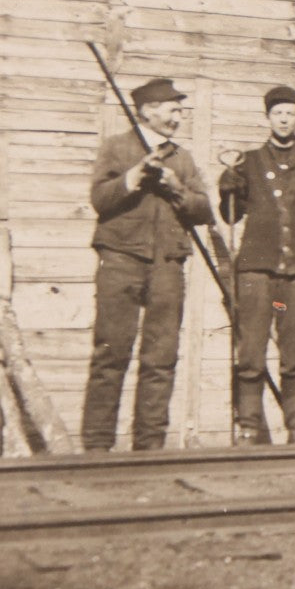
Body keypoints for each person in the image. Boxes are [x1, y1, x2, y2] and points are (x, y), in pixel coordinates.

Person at [80, 78, 214, 452]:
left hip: (167, 265)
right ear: (148, 111)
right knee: (111, 353)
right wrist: (133, 177)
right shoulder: (117, 148)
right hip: (120, 261)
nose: (178, 117)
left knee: (161, 358)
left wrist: (175, 187)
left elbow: (204, 210)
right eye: (173, 110)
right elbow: (99, 200)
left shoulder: (181, 158)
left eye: (181, 111)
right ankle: (96, 447)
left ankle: (150, 446)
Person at [215, 86, 295, 445]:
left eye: (290, 113)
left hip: (294, 281)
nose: (284, 119)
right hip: (256, 276)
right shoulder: (247, 162)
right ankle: (248, 426)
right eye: (277, 113)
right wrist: (228, 188)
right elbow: (229, 216)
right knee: (250, 350)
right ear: (268, 118)